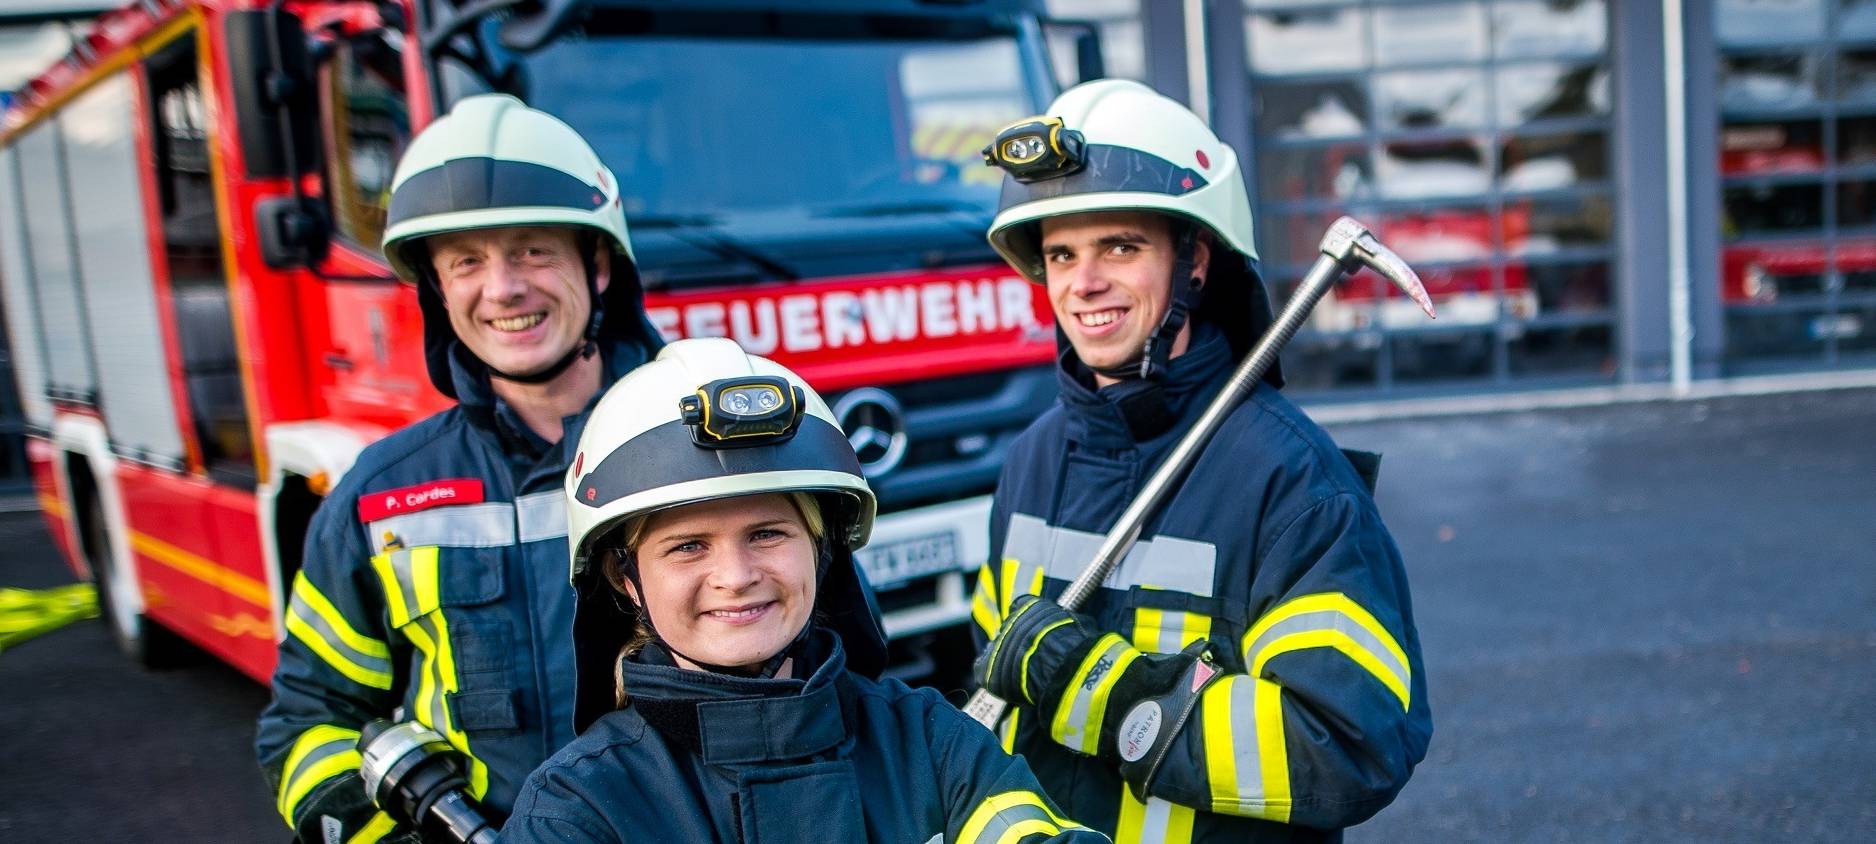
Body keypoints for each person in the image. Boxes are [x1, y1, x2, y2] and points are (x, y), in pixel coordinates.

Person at [968, 79, 1433, 843]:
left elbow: (1349, 744)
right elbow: (999, 690)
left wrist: (1103, 693)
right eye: (1061, 253)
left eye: (1120, 246)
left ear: (1194, 263)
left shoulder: (1292, 484)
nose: (1084, 284)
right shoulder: (1033, 462)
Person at [501, 337, 1107, 844]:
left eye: (767, 534)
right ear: (624, 579)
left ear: (822, 550)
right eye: (688, 546)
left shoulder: (929, 742)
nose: (735, 576)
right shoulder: (577, 809)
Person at [255, 94, 664, 843]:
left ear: (598, 262)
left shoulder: (713, 454)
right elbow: (308, 720)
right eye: (466, 261)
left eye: (532, 249)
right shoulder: (382, 498)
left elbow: (838, 684)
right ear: (438, 291)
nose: (503, 288)